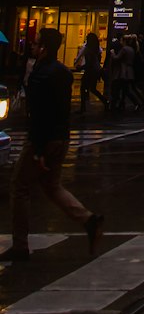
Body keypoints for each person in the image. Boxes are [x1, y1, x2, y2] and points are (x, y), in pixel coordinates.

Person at [1, 28, 103, 262]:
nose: (32, 47)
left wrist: (37, 150)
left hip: (43, 140)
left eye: (36, 43)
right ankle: (89, 220)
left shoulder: (40, 75)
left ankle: (20, 245)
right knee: (52, 185)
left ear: (44, 48)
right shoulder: (62, 73)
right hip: (61, 137)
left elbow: (38, 115)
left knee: (19, 185)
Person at [77, 32, 108, 113]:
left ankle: (83, 108)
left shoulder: (88, 49)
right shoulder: (96, 49)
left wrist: (81, 67)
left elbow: (89, 63)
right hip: (96, 70)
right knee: (93, 88)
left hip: (90, 71)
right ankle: (105, 101)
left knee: (83, 88)